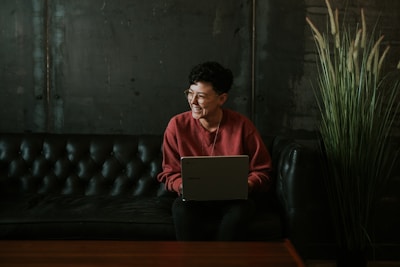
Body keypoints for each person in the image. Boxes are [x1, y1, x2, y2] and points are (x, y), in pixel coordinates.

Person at [157, 61, 273, 241]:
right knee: (180, 208)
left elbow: (262, 170)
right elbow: (168, 173)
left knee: (241, 210)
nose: (193, 101)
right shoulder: (177, 125)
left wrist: (247, 184)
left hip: (234, 200)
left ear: (222, 99)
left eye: (201, 96)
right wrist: (182, 185)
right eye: (190, 93)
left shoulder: (242, 126)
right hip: (193, 200)